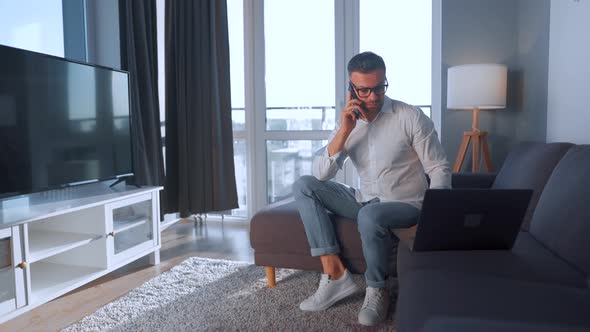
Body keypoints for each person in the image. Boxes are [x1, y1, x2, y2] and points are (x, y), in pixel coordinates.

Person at [292, 51, 451, 326]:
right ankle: (335, 275)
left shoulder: (410, 116)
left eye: (379, 87)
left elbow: (439, 168)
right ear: (351, 89)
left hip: (407, 203)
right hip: (364, 200)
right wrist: (343, 132)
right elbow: (320, 174)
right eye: (364, 90)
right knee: (304, 185)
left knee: (370, 215)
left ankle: (378, 289)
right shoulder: (348, 123)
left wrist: (436, 217)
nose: (374, 96)